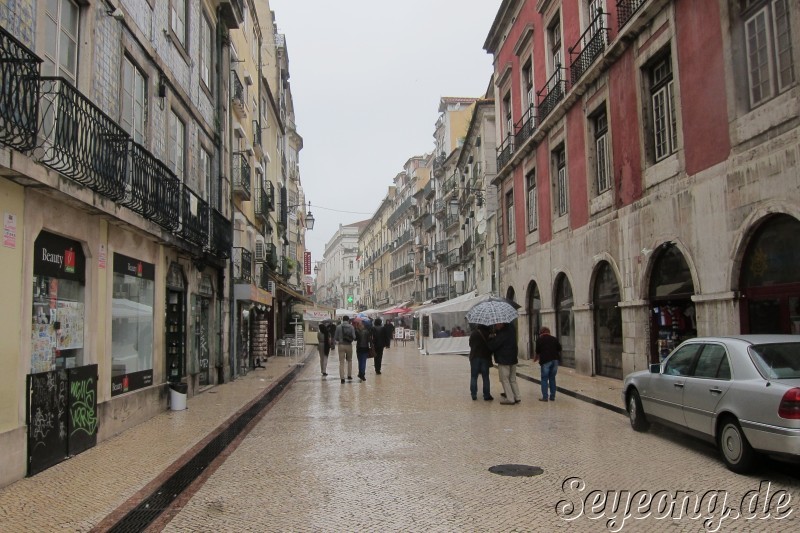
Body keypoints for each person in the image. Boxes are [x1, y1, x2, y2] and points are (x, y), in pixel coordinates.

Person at [487, 322, 520, 405]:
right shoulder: (511, 329)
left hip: (504, 359)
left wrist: (491, 338)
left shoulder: (502, 333)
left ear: (502, 324)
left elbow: (493, 346)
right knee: (512, 379)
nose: (496, 325)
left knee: (504, 379)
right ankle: (517, 397)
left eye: (497, 324)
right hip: (513, 358)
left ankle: (510, 399)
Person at [534, 326, 562, 401]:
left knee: (544, 379)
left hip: (546, 360)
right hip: (555, 360)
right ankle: (552, 397)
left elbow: (537, 351)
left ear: (541, 333)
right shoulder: (554, 339)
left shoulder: (539, 339)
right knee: (552, 378)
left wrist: (536, 358)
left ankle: (545, 397)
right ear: (548, 332)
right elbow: (559, 348)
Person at [468, 325, 493, 401]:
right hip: (485, 357)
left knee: (474, 376)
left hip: (475, 357)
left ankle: (473, 394)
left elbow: (470, 344)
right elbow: (491, 345)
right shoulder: (488, 333)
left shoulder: (474, 333)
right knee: (485, 377)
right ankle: (486, 395)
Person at [334, 316, 356, 384]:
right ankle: (349, 375)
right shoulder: (351, 327)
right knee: (349, 360)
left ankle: (342, 378)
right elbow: (354, 337)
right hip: (349, 345)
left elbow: (336, 338)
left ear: (342, 320)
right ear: (348, 320)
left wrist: (340, 339)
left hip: (341, 345)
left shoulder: (338, 327)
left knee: (341, 362)